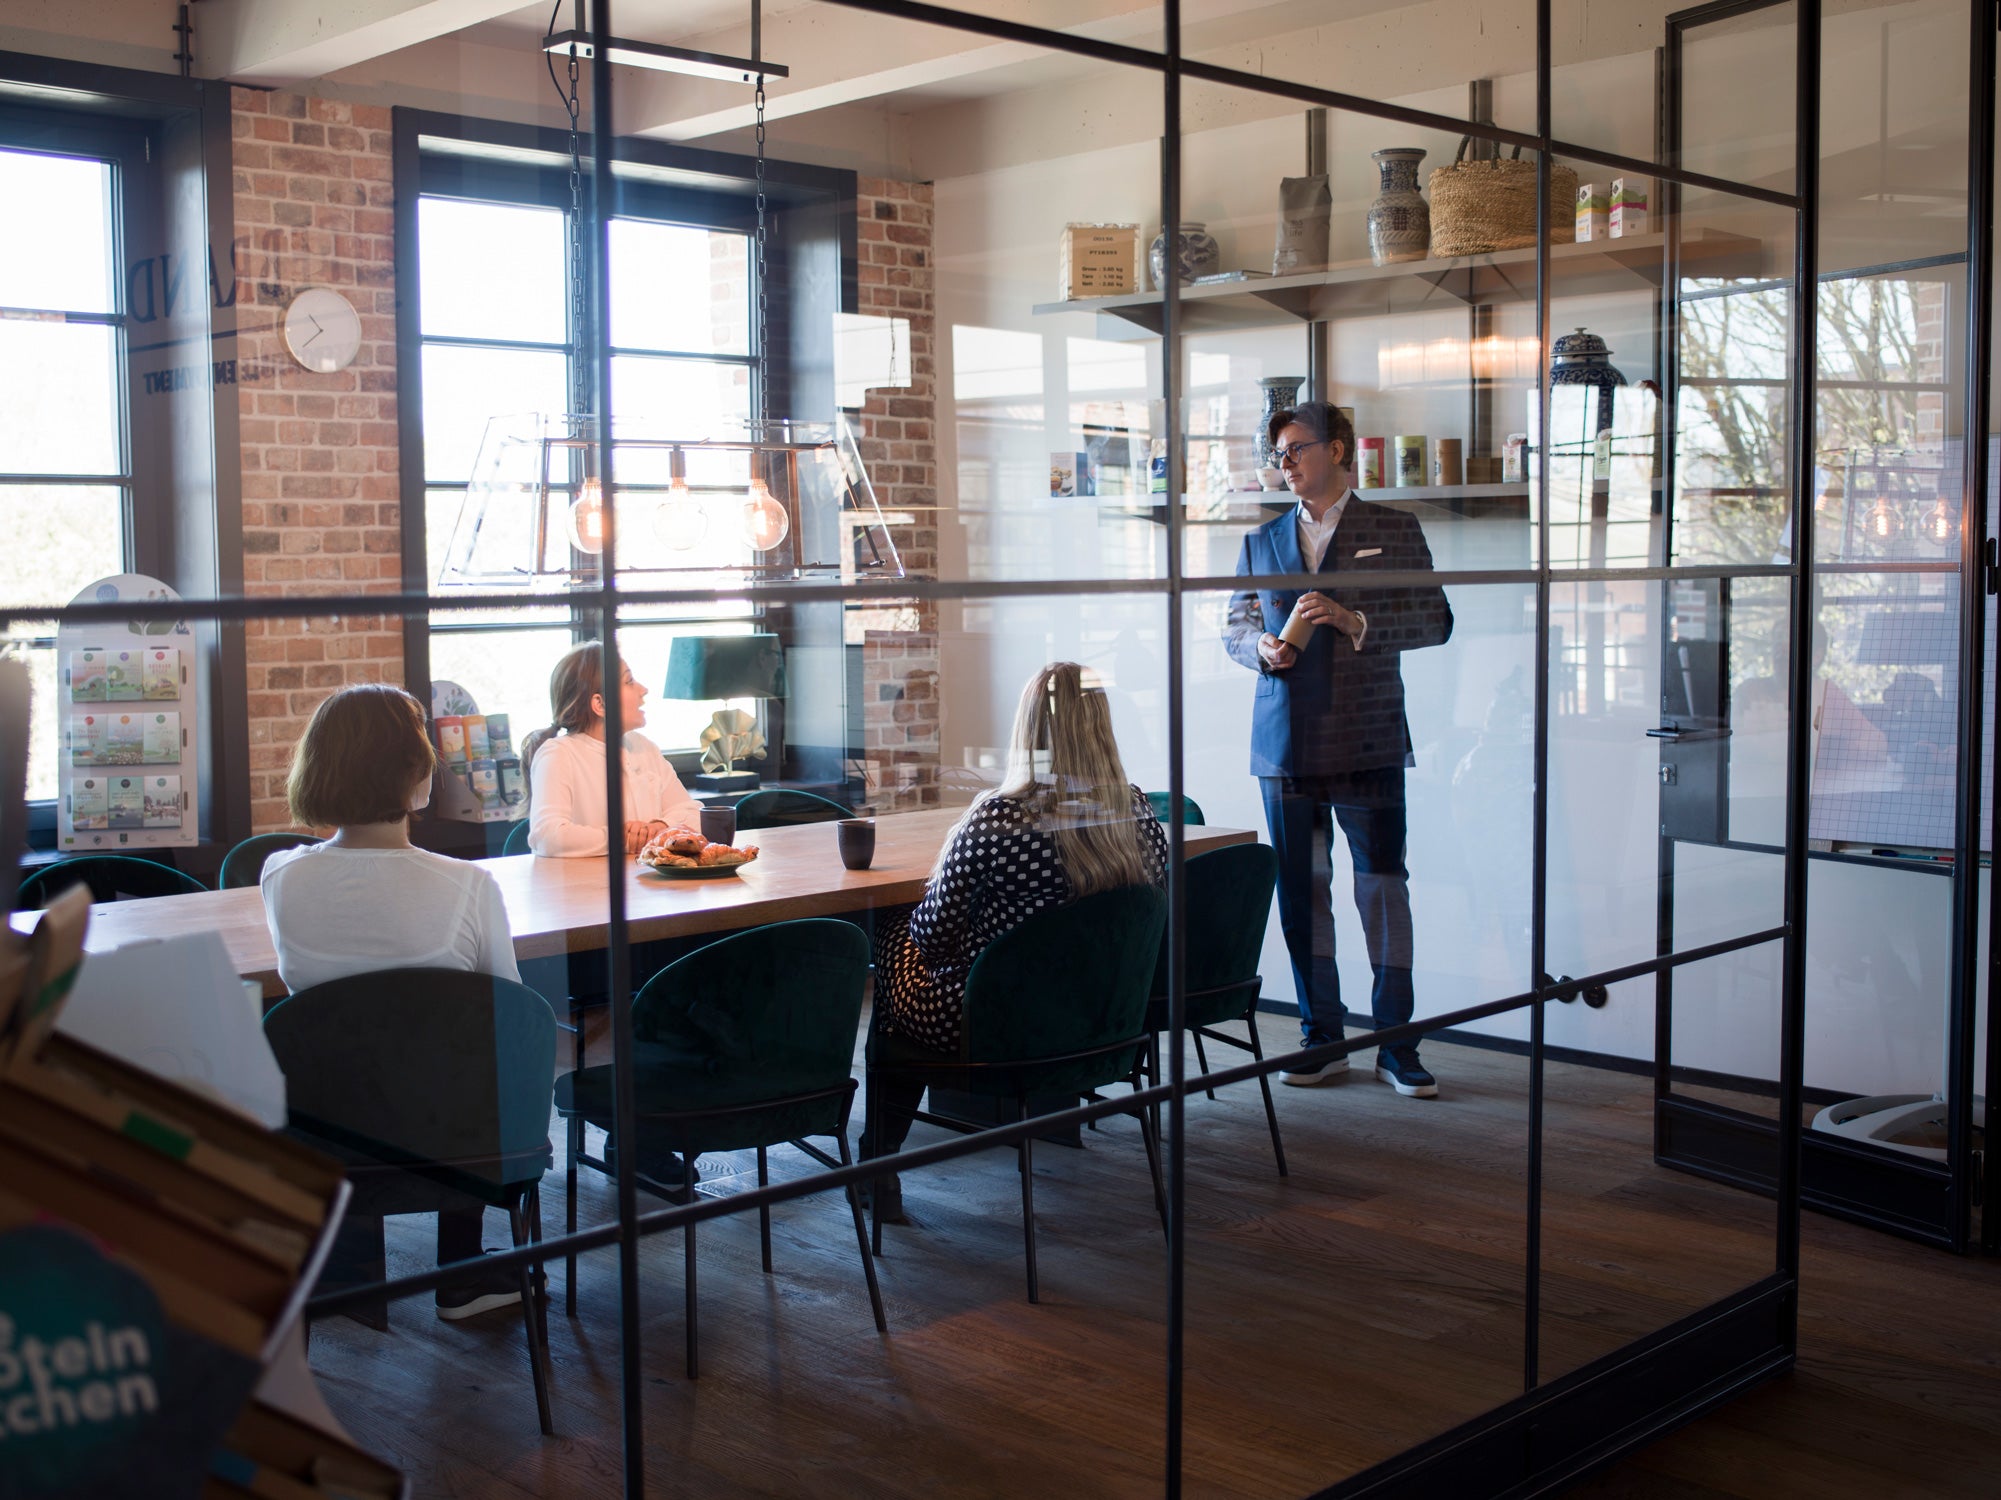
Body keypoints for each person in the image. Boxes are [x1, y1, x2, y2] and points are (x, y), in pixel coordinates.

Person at [862, 662, 1170, 1220]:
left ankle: (876, 1166)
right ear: (1102, 725)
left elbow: (932, 940)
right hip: (1102, 1021)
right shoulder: (1138, 809)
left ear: (1028, 729)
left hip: (996, 1026)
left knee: (889, 933)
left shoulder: (999, 818)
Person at [259, 683, 527, 1320]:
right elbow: (512, 1016)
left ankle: (350, 1276)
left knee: (349, 1057)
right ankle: (461, 1273)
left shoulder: (279, 876)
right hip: (450, 1136)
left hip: (321, 1128)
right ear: (415, 773)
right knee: (469, 1060)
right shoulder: (468, 886)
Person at [1225, 401, 1453, 1097]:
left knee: (1383, 893)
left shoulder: (1394, 527)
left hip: (1369, 736)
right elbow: (1233, 623)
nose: (1285, 463)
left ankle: (1395, 1044)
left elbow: (1435, 620)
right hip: (1284, 743)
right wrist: (1257, 647)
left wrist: (1354, 620)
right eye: (1279, 454)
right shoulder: (1261, 540)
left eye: (1295, 449)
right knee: (1301, 895)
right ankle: (1320, 1039)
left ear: (1339, 449)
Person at [523, 641, 701, 858]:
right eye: (629, 681)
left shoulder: (644, 747)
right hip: (586, 888)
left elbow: (692, 813)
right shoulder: (559, 754)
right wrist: (623, 838)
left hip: (647, 884)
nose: (643, 690)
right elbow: (548, 836)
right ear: (600, 704)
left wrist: (660, 826)